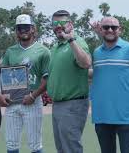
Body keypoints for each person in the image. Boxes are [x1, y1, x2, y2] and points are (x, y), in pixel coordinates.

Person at [0, 14, 50, 153]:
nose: (23, 31)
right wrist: (1, 95)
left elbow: (47, 80)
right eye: (19, 28)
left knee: (35, 144)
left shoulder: (43, 51)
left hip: (32, 101)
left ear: (33, 29)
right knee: (11, 144)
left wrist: (33, 96)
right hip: (13, 102)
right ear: (16, 31)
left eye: (26, 27)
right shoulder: (10, 51)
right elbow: (3, 76)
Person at [90, 16, 129, 153]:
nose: (110, 30)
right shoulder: (96, 53)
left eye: (113, 27)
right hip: (102, 116)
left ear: (120, 30)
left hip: (126, 118)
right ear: (100, 30)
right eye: (106, 27)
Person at [47, 10, 91, 153]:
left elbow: (86, 63)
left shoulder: (77, 41)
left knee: (71, 148)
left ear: (70, 24)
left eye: (62, 23)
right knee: (62, 148)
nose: (58, 26)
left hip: (73, 105)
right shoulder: (56, 47)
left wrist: (71, 40)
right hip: (58, 105)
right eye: (55, 23)